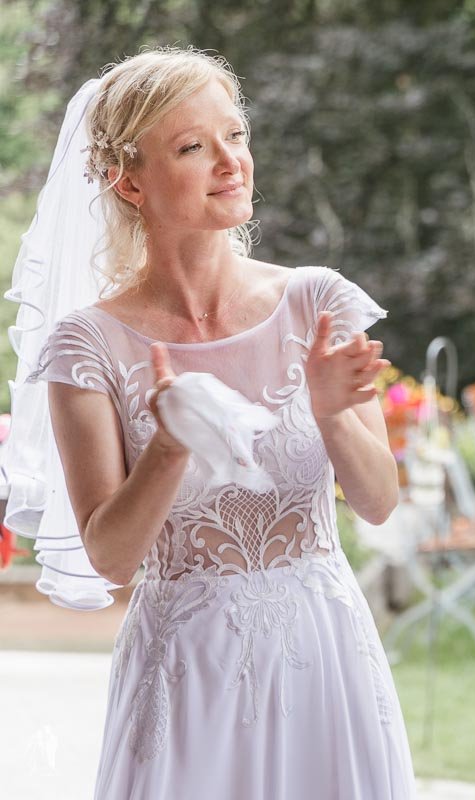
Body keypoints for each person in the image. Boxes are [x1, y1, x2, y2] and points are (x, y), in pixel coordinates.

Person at [11, 48, 416, 798]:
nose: (230, 161)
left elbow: (379, 501)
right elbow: (110, 556)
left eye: (236, 135)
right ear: (127, 181)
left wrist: (331, 414)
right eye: (193, 147)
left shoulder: (316, 302)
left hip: (323, 658)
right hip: (185, 674)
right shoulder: (88, 344)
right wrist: (168, 447)